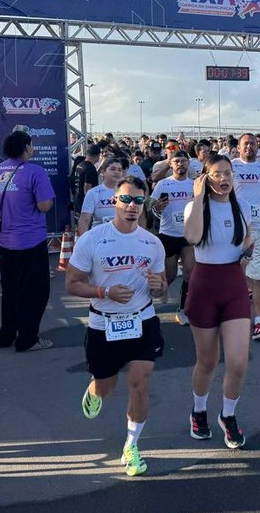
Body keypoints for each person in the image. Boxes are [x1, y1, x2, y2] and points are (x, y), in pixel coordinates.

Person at [66, 176, 167, 477]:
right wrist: (103, 292)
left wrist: (159, 285)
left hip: (142, 321)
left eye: (138, 201)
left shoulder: (152, 242)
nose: (132, 206)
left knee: (139, 381)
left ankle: (131, 446)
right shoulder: (93, 240)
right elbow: (72, 283)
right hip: (104, 324)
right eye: (126, 200)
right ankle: (95, 390)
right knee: (106, 385)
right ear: (114, 202)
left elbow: (162, 291)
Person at [183, 155, 252, 449]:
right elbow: (193, 236)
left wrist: (247, 254)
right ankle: (198, 410)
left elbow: (249, 238)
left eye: (228, 173)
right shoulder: (196, 206)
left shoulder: (243, 206)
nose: (223, 179)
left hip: (234, 286)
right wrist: (198, 198)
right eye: (216, 174)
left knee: (237, 362)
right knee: (208, 361)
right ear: (204, 178)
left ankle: (228, 415)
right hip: (204, 288)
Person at [0, 130, 55, 353]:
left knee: (10, 290)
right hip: (30, 240)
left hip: (5, 240)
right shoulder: (35, 171)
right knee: (35, 292)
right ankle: (27, 338)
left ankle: (6, 333)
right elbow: (45, 205)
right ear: (26, 146)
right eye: (31, 144)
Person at [231, 134, 260, 341]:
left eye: (253, 143)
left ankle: (259, 321)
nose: (249, 146)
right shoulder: (231, 166)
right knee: (236, 277)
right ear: (238, 147)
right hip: (237, 229)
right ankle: (234, 319)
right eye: (245, 144)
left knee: (259, 277)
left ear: (258, 147)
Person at [150, 151, 195, 325]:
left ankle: (183, 309)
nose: (180, 164)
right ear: (171, 164)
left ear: (188, 164)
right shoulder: (163, 184)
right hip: (168, 234)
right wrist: (158, 209)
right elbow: (153, 208)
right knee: (169, 275)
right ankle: (148, 304)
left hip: (188, 235)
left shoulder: (194, 184)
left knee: (190, 274)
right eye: (177, 161)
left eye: (184, 161)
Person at [78, 157, 125, 236]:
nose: (117, 172)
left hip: (122, 236)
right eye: (113, 169)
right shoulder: (93, 193)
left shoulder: (128, 192)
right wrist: (84, 241)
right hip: (99, 236)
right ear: (103, 172)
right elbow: (84, 220)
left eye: (119, 170)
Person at [72, 144, 101, 214]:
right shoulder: (90, 168)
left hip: (77, 200)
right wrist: (90, 205)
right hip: (85, 204)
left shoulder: (80, 165)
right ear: (97, 155)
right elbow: (87, 188)